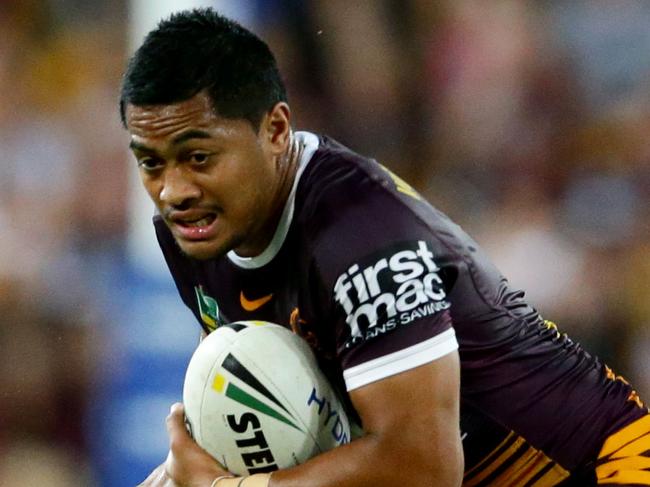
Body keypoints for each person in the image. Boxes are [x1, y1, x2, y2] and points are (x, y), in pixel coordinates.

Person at [120, 8, 650, 487]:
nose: (174, 191)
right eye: (151, 163)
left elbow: (422, 467)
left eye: (198, 158)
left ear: (276, 129)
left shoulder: (361, 236)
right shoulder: (196, 233)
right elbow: (274, 422)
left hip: (594, 466)